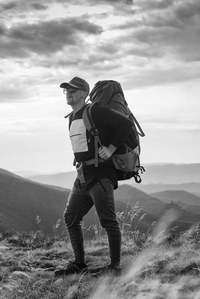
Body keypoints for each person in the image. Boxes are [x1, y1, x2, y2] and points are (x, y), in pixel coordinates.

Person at [54, 76, 133, 277]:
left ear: (83, 93)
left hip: (101, 174)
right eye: (66, 90)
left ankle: (114, 267)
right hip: (83, 175)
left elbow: (125, 124)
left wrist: (111, 148)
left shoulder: (95, 111)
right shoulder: (72, 116)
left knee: (108, 221)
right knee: (71, 217)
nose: (69, 93)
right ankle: (79, 264)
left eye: (73, 89)